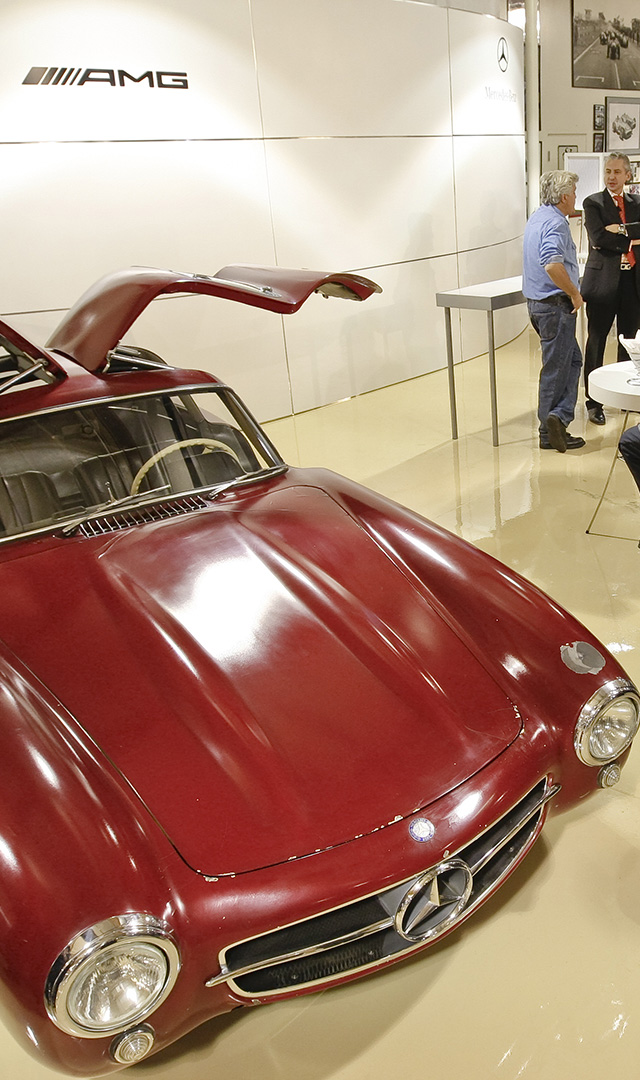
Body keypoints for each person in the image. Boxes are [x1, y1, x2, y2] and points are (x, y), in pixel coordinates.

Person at [522, 170, 585, 452]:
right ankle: (550, 429)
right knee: (557, 368)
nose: (575, 197)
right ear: (563, 197)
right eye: (573, 192)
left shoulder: (538, 216)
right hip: (555, 306)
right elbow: (552, 264)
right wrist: (574, 292)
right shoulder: (557, 225)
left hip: (538, 305)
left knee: (571, 361)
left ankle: (557, 418)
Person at [581, 152, 640, 425]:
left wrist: (619, 232)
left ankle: (625, 392)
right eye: (608, 172)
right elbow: (597, 237)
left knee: (629, 341)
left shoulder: (637, 202)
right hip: (603, 283)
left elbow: (609, 239)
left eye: (617, 172)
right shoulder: (592, 203)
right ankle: (594, 401)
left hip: (632, 283)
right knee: (597, 340)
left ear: (628, 175)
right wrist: (630, 241)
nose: (612, 177)